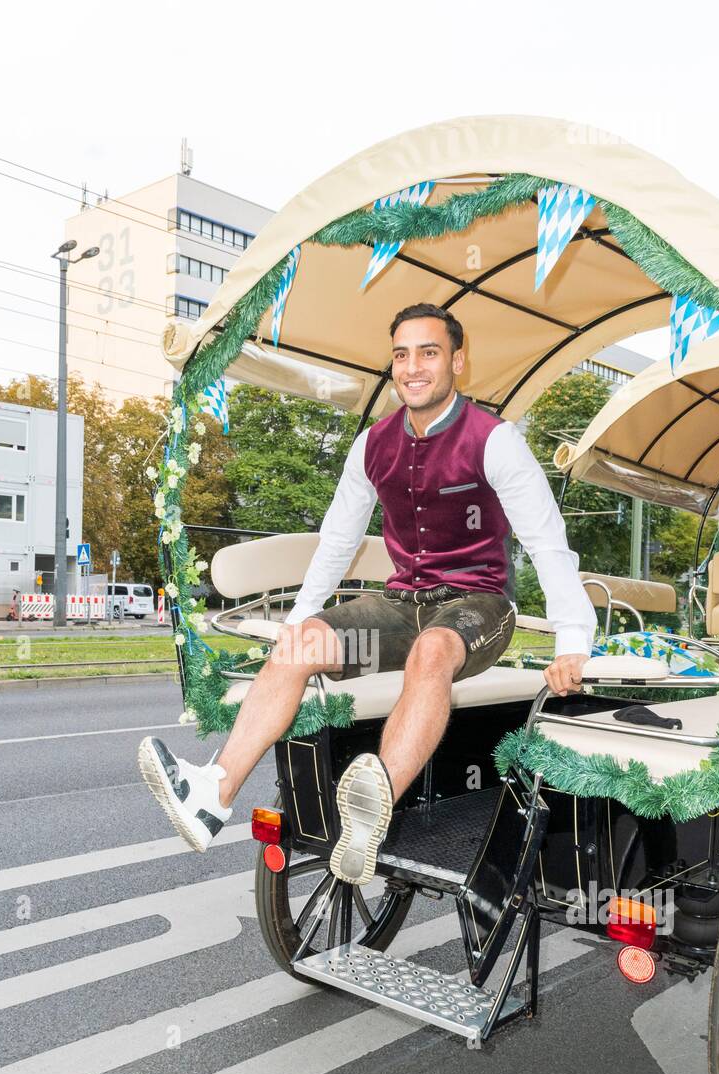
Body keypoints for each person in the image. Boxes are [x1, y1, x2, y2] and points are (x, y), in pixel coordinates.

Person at [139, 303, 597, 884]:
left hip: (479, 606)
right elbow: (338, 537)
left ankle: (369, 814)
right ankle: (213, 795)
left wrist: (572, 641)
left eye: (428, 352)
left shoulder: (495, 441)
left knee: (432, 652)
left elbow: (547, 542)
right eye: (402, 354)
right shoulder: (373, 445)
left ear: (457, 361)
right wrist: (302, 620)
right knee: (302, 645)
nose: (413, 367)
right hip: (400, 604)